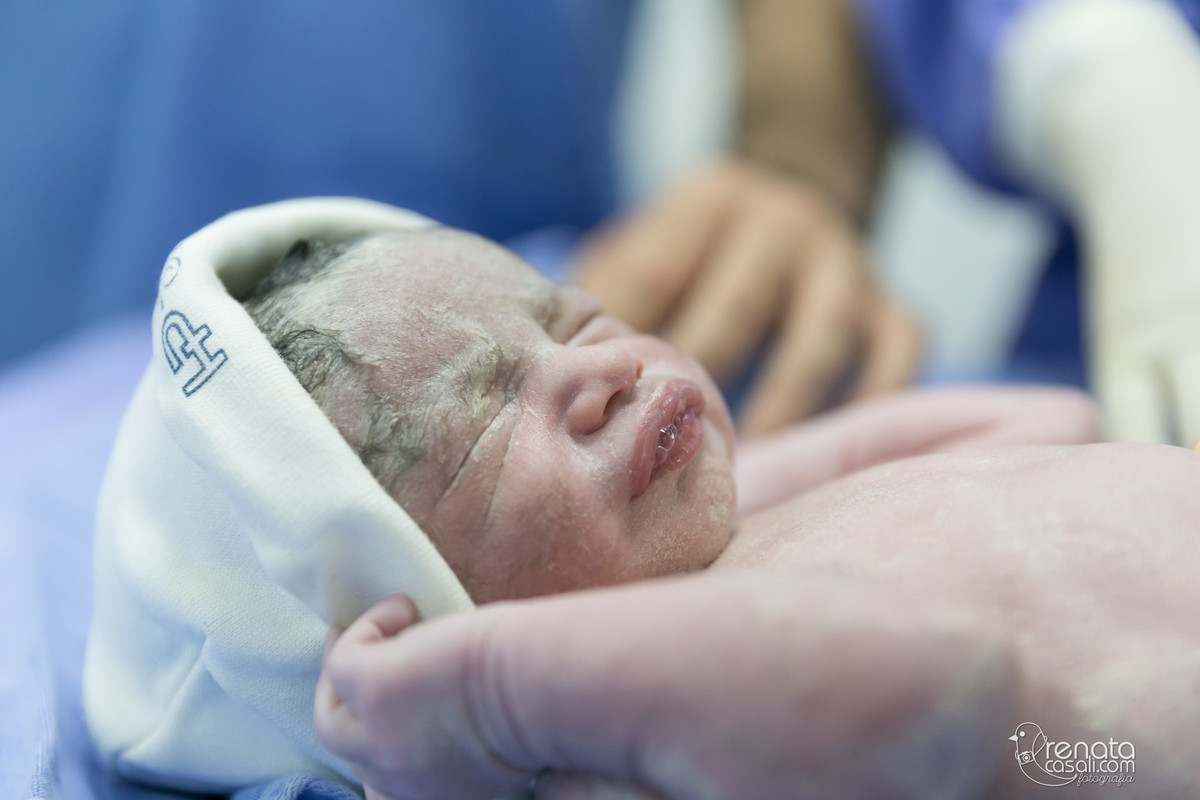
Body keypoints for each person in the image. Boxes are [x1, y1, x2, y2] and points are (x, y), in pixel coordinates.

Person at [245, 226, 1198, 797]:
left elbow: (1056, 422)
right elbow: (950, 682)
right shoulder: (627, 748)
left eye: (572, 317)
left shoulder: (764, 531)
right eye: (485, 415)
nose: (605, 367)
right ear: (429, 620)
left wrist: (770, 473)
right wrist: (491, 701)